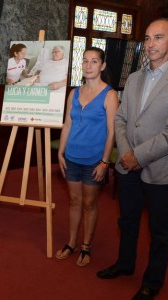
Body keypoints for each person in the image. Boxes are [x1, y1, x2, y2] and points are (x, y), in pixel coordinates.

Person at [96, 18, 168, 300]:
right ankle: (125, 264)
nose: (151, 44)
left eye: (159, 37)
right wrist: (127, 154)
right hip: (128, 166)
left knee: (159, 231)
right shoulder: (134, 78)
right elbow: (121, 119)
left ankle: (152, 282)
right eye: (148, 38)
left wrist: (137, 156)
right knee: (126, 220)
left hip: (160, 169)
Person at [55, 47, 118, 267]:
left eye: (93, 61)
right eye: (85, 61)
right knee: (74, 201)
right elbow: (67, 124)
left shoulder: (110, 95)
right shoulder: (74, 93)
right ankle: (72, 242)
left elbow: (112, 131)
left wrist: (104, 162)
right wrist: (60, 152)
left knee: (90, 203)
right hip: (72, 156)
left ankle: (86, 245)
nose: (88, 65)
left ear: (102, 65)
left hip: (94, 160)